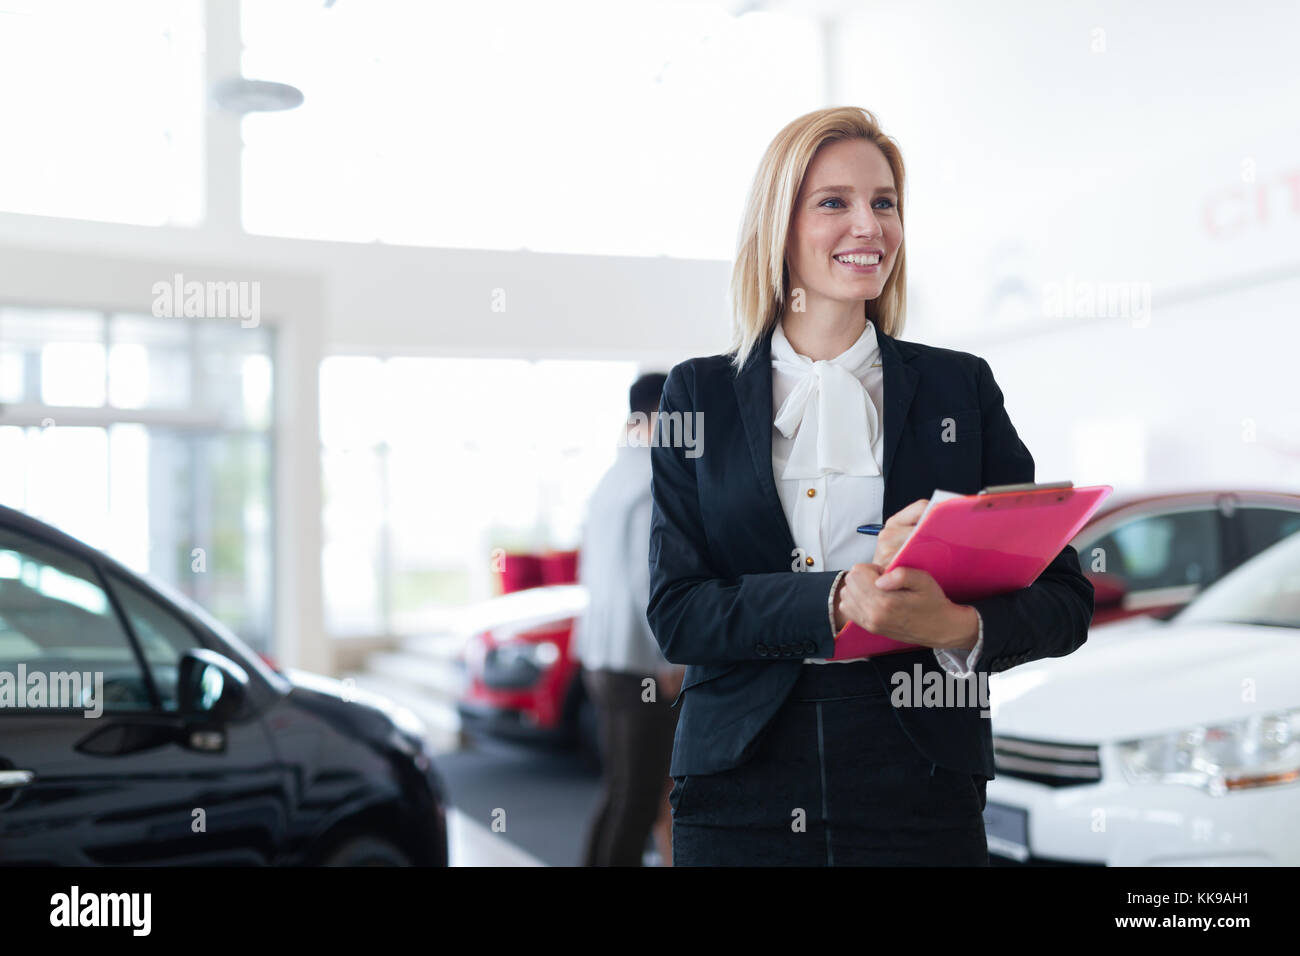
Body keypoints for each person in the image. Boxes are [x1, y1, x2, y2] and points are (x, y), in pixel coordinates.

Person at [646, 106, 1094, 866]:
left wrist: (954, 627)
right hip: (739, 780)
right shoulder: (697, 395)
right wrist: (831, 599)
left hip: (919, 773)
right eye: (835, 202)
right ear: (779, 226)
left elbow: (1064, 599)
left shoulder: (960, 386)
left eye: (884, 202)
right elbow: (678, 612)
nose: (870, 225)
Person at [573, 372, 685, 866]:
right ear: (658, 414)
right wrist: (669, 657)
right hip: (638, 659)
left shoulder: (611, 478)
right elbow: (648, 581)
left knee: (620, 788)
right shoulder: (651, 477)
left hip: (599, 655)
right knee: (639, 798)